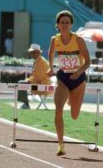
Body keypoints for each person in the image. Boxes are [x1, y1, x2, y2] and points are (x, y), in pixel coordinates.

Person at [48, 10, 90, 156]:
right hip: (63, 78)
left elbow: (88, 62)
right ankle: (61, 145)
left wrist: (78, 72)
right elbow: (51, 52)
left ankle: (73, 99)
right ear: (57, 25)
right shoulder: (55, 40)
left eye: (67, 22)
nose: (65, 25)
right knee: (58, 108)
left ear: (71, 24)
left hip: (78, 80)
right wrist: (50, 67)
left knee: (74, 115)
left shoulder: (78, 40)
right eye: (62, 22)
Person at [26, 44, 52, 109]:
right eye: (31, 53)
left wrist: (29, 81)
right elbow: (35, 76)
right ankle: (25, 103)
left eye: (34, 52)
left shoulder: (41, 61)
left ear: (38, 52)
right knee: (22, 84)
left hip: (43, 86)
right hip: (40, 84)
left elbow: (38, 77)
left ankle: (26, 104)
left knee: (22, 85)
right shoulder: (38, 61)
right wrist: (28, 80)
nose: (32, 54)